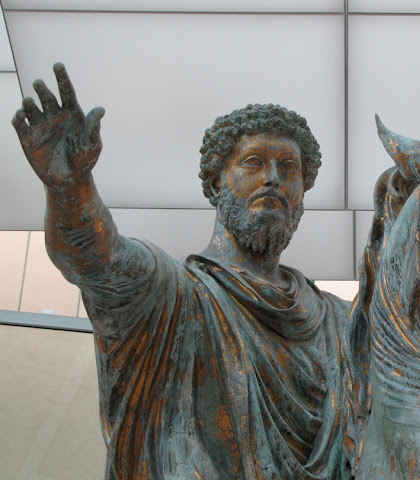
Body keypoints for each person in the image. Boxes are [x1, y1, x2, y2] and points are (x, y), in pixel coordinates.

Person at [12, 63, 351, 480]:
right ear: (215, 183)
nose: (273, 179)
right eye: (253, 162)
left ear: (303, 194)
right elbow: (96, 260)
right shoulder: (170, 292)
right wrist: (69, 188)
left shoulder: (342, 322)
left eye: (289, 168)